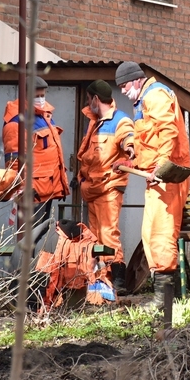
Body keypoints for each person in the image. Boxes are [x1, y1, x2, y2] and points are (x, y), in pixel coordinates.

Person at [112, 62, 190, 307]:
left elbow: (168, 132)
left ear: (136, 80)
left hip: (168, 177)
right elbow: (150, 142)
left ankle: (165, 300)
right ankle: (170, 297)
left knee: (161, 234)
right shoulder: (144, 100)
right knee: (150, 233)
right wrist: (132, 160)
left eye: (124, 86)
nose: (123, 91)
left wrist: (162, 166)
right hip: (157, 177)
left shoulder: (155, 95)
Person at [76, 79, 135, 294]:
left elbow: (130, 139)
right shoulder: (96, 122)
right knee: (95, 238)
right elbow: (88, 157)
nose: (87, 102)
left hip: (109, 188)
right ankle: (102, 280)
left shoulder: (120, 121)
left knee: (109, 235)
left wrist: (130, 151)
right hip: (92, 190)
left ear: (96, 99)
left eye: (88, 99)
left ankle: (118, 281)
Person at [2, 76, 70, 245]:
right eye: (37, 95)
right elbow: (14, 161)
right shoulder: (16, 122)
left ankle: (39, 270)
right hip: (32, 192)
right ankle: (28, 271)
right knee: (29, 240)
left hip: (47, 189)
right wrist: (20, 188)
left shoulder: (44, 115)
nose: (41, 99)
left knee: (42, 239)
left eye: (42, 95)